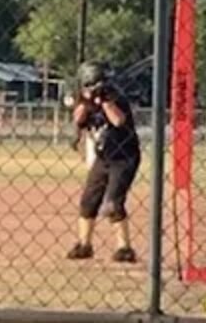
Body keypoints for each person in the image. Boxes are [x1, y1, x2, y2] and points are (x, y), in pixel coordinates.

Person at [66, 61, 140, 264]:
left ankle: (124, 248)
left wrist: (104, 100)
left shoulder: (116, 98)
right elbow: (78, 120)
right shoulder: (86, 103)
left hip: (124, 158)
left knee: (113, 202)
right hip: (103, 157)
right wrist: (84, 103)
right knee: (89, 200)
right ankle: (84, 245)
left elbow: (118, 121)